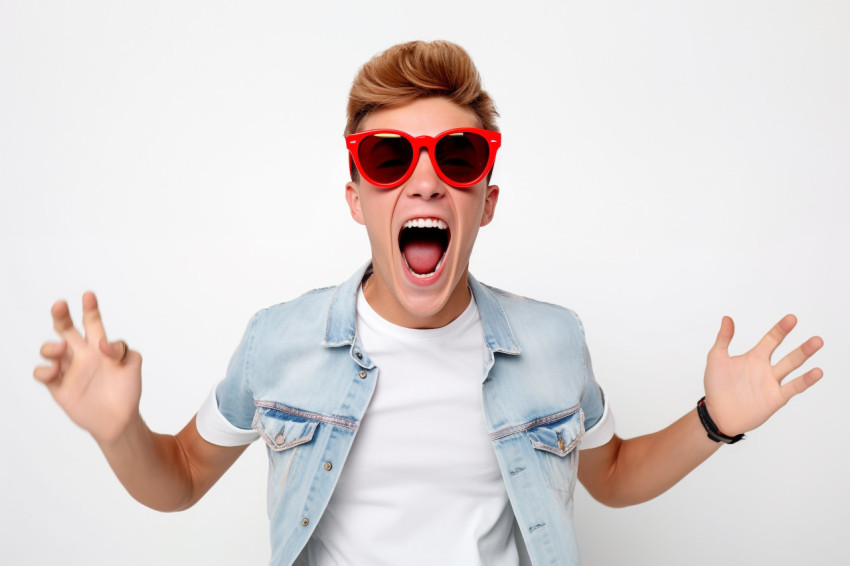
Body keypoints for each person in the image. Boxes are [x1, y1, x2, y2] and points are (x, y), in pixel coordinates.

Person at [33, 41, 824, 566]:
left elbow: (612, 475)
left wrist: (717, 421)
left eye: (457, 156)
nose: (423, 179)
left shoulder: (552, 341)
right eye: (387, 158)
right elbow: (177, 477)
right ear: (356, 199)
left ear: (486, 199)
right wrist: (120, 434)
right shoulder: (280, 342)